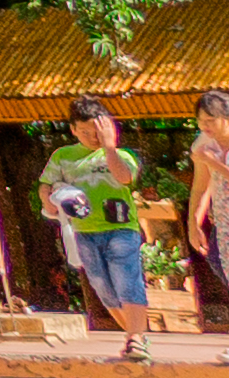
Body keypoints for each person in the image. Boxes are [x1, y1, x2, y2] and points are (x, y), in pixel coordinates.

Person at [38, 95, 155, 362]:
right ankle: (135, 333)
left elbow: (125, 178)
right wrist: (50, 199)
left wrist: (109, 147)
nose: (91, 136)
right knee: (102, 287)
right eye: (84, 131)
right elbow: (46, 185)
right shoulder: (63, 157)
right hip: (83, 231)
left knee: (127, 281)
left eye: (96, 130)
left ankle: (135, 337)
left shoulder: (120, 155)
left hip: (120, 228)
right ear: (73, 130)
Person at [189, 86, 229, 338]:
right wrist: (194, 221)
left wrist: (214, 162)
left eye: (211, 120)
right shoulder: (203, 144)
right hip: (224, 224)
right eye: (201, 121)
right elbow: (200, 184)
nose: (205, 126)